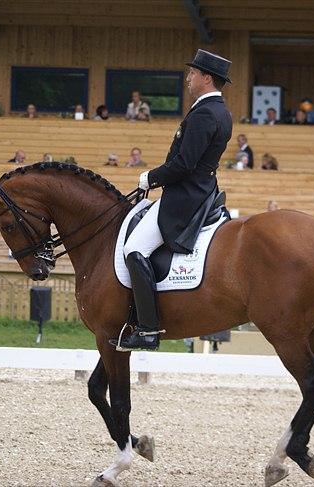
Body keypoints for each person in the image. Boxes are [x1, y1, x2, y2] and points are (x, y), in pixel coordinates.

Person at [115, 49, 232, 351]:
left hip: (184, 198)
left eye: (193, 73)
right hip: (201, 190)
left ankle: (148, 329)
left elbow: (184, 164)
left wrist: (150, 178)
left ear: (207, 78)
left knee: (134, 248)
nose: (188, 78)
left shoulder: (205, 112)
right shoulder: (220, 110)